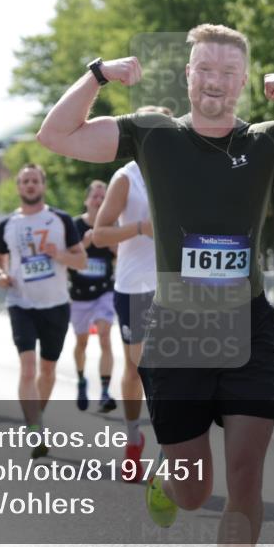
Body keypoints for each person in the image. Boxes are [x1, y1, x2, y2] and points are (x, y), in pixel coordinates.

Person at [37, 24, 274, 547]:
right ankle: (165, 483)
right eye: (206, 70)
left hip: (249, 324)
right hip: (178, 328)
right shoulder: (153, 134)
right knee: (193, 492)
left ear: (242, 80)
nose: (216, 82)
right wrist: (98, 75)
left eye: (228, 73)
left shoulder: (268, 140)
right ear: (188, 74)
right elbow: (56, 135)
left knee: (245, 480)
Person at [93, 105, 171, 483]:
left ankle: (170, 446)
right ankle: (133, 437)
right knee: (141, 369)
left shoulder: (182, 173)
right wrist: (140, 227)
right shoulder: (127, 177)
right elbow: (100, 233)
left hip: (176, 286)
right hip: (134, 286)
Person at [0, 164, 86, 458]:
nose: (30, 185)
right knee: (28, 367)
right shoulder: (8, 224)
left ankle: (37, 416)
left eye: (35, 181)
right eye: (25, 181)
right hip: (21, 303)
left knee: (47, 370)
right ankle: (35, 428)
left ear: (42, 185)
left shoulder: (60, 220)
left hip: (56, 304)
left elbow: (81, 261)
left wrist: (57, 254)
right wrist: (0, 274)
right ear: (18, 187)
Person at [69, 180, 118, 413]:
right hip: (79, 294)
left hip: (104, 291)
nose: (98, 201)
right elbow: (67, 258)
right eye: (95, 197)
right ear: (87, 200)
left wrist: (113, 246)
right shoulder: (74, 225)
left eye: (103, 197)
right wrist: (85, 244)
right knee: (82, 342)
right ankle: (80, 380)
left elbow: (122, 256)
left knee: (105, 335)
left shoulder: (112, 225)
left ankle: (105, 391)